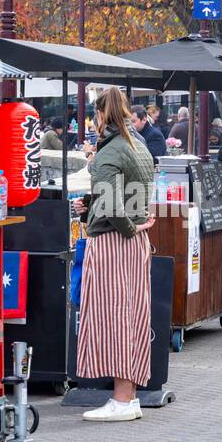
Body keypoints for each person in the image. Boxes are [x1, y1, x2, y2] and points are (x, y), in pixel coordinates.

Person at [72, 86, 156, 423]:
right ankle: (130, 397)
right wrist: (91, 205)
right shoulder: (139, 145)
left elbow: (111, 202)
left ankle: (121, 399)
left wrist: (125, 226)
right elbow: (132, 194)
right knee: (133, 316)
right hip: (135, 245)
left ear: (101, 115)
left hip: (113, 244)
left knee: (114, 318)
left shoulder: (108, 152)